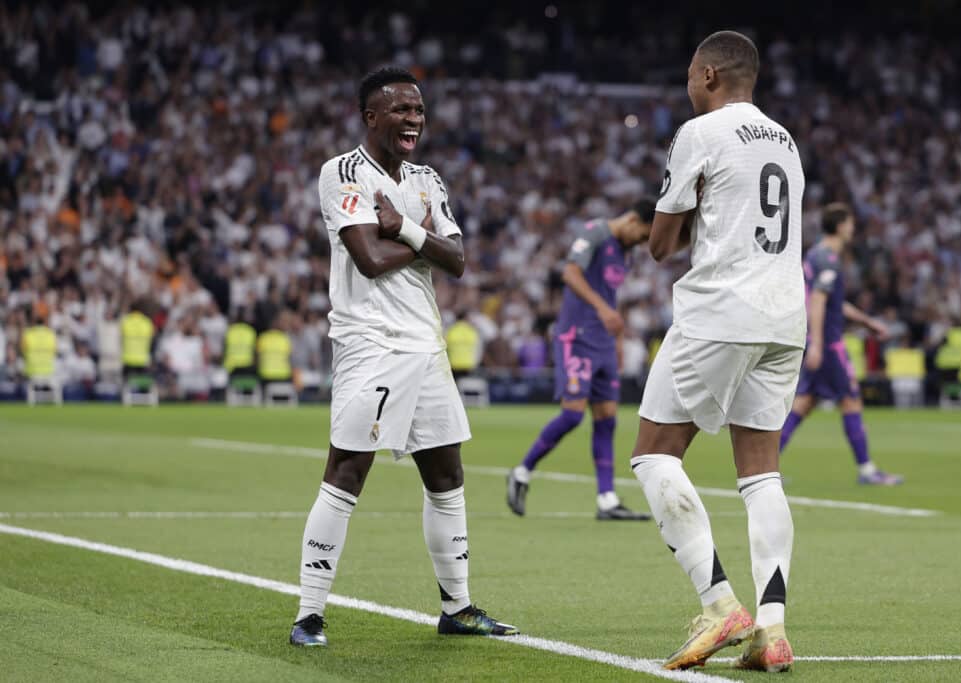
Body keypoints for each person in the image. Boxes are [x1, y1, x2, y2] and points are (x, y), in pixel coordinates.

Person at [289, 66, 517, 647]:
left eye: (418, 110)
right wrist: (423, 241)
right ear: (371, 117)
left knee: (447, 474)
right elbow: (366, 256)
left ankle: (458, 608)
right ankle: (309, 615)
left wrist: (409, 232)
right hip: (372, 344)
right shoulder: (342, 172)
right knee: (347, 471)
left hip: (426, 344)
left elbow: (458, 258)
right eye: (401, 110)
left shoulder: (426, 179)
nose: (414, 119)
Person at [631, 31, 804, 672]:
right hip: (785, 318)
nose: (686, 85)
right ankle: (773, 628)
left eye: (687, 75)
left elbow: (658, 243)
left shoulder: (699, 133)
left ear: (706, 75)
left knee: (654, 455)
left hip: (721, 313)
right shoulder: (785, 140)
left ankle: (719, 603)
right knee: (761, 474)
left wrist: (695, 211)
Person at [506, 201, 656, 520]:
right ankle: (521, 472)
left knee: (607, 418)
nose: (641, 242)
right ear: (631, 219)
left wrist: (615, 341)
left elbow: (611, 298)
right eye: (642, 235)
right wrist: (602, 309)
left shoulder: (625, 251)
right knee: (573, 415)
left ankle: (607, 500)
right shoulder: (596, 232)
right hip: (576, 335)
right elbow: (570, 272)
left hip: (603, 342)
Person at [778, 203, 904, 485]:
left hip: (816, 339)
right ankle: (868, 470)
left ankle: (766, 469)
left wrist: (867, 323)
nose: (853, 228)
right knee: (850, 401)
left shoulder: (814, 255)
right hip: (829, 344)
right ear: (839, 226)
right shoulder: (829, 260)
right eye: (849, 223)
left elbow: (831, 301)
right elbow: (819, 302)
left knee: (804, 403)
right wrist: (819, 344)